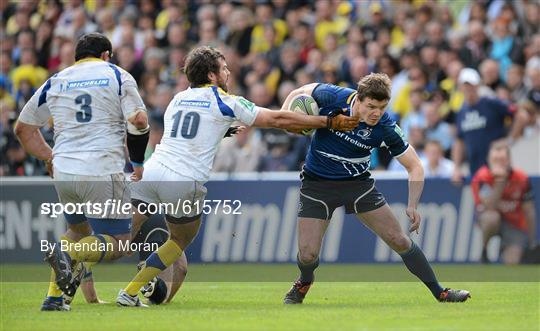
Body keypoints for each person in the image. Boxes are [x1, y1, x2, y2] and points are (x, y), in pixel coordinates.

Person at [116, 46, 359, 307]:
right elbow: (277, 119)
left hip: (152, 172)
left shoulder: (178, 98)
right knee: (178, 240)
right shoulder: (226, 101)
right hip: (183, 181)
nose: (228, 72)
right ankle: (130, 292)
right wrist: (328, 122)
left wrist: (222, 131)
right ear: (212, 75)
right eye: (224, 68)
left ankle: (73, 255)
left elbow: (189, 131)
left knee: (118, 240)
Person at [280, 73, 470, 304]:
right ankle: (304, 281)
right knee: (308, 255)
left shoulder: (386, 126)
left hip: (358, 185)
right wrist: (287, 112)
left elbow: (416, 166)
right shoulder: (332, 96)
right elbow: (301, 91)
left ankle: (440, 292)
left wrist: (412, 206)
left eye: (382, 107)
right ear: (357, 100)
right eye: (371, 106)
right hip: (317, 183)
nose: (376, 113)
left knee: (399, 239)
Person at [14, 32, 149, 311]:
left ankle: (54, 298)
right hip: (102, 168)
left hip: (64, 172)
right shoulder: (116, 74)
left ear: (77, 57)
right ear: (105, 55)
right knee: (120, 243)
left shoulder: (56, 80)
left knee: (77, 229)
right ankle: (65, 253)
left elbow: (23, 129)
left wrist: (50, 157)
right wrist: (137, 163)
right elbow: (138, 120)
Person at [471, 140, 537, 264]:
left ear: (509, 160)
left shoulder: (521, 178)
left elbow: (529, 211)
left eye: (502, 159)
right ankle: (484, 251)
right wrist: (500, 182)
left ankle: (506, 248)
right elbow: (489, 206)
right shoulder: (482, 176)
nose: (499, 163)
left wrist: (531, 241)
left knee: (513, 261)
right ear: (489, 159)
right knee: (492, 218)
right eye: (495, 160)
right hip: (490, 217)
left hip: (514, 224)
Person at [451, 68, 514, 183]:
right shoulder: (461, 111)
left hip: (498, 166)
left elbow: (516, 113)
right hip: (475, 169)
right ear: (460, 88)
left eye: (471, 85)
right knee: (482, 199)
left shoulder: (491, 103)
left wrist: (510, 139)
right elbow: (459, 141)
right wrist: (456, 168)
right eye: (465, 85)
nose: (468, 89)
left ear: (478, 85)